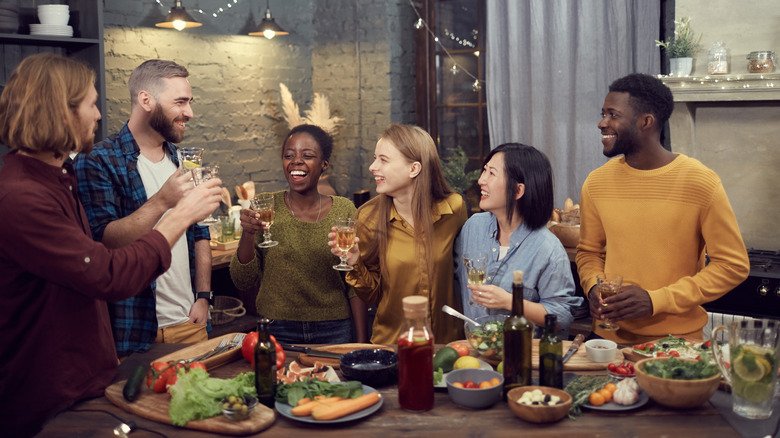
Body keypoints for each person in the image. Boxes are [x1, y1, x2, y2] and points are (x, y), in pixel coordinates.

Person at [0, 53, 221, 437]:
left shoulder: (59, 176)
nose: (99, 115)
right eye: (91, 104)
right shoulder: (23, 196)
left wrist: (203, 293)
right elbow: (108, 273)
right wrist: (178, 214)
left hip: (82, 380)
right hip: (44, 397)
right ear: (59, 111)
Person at [576, 73, 750, 343]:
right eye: (603, 114)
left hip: (675, 342)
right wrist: (593, 287)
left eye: (613, 115)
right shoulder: (596, 183)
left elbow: (733, 265)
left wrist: (657, 300)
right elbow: (588, 253)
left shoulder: (700, 182)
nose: (602, 123)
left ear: (646, 121)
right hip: (607, 340)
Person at [73, 59, 214, 357]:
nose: (189, 112)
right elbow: (104, 241)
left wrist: (203, 297)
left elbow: (200, 232)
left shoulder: (182, 159)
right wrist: (163, 200)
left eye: (189, 102)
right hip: (134, 329)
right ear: (146, 100)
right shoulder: (98, 160)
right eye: (180, 102)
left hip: (191, 322)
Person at [328, 123, 467, 345]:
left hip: (447, 345)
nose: (373, 166)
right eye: (375, 158)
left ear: (414, 169)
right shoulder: (368, 218)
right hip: (393, 346)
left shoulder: (453, 209)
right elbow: (371, 295)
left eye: (383, 160)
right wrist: (355, 262)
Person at [230, 124, 368, 343]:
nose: (296, 161)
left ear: (324, 164)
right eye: (289, 155)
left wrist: (361, 341)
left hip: (335, 329)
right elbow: (243, 280)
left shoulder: (344, 210)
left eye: (308, 155)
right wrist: (247, 234)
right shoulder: (265, 207)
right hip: (276, 329)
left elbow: (354, 282)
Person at [456, 143, 582, 337]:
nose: (481, 180)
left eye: (491, 173)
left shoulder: (548, 249)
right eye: (484, 171)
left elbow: (561, 318)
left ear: (517, 191)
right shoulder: (473, 227)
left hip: (522, 356)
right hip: (476, 353)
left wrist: (509, 301)